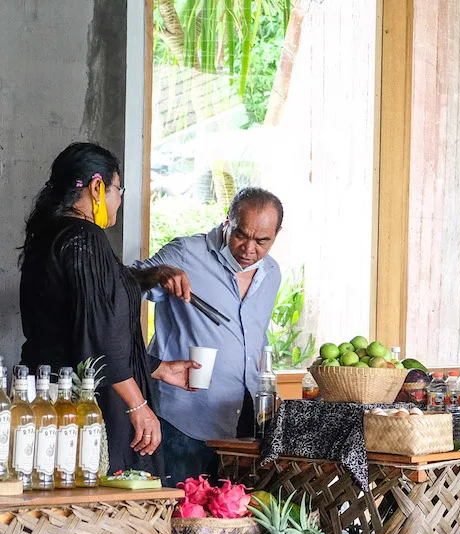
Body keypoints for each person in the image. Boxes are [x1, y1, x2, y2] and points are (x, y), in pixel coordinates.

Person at [18, 142, 198, 474]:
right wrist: (138, 405)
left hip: (48, 396)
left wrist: (156, 367)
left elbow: (77, 323)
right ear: (98, 187)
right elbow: (99, 334)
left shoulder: (49, 236)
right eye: (119, 189)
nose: (119, 199)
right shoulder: (85, 238)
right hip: (85, 405)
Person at [134, 187, 283, 483]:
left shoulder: (272, 273)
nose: (249, 248)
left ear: (276, 234)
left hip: (243, 420)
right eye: (241, 234)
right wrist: (157, 274)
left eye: (262, 240)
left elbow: (255, 338)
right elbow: (120, 286)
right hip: (184, 419)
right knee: (180, 519)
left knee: (230, 520)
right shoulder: (186, 253)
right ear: (227, 221)